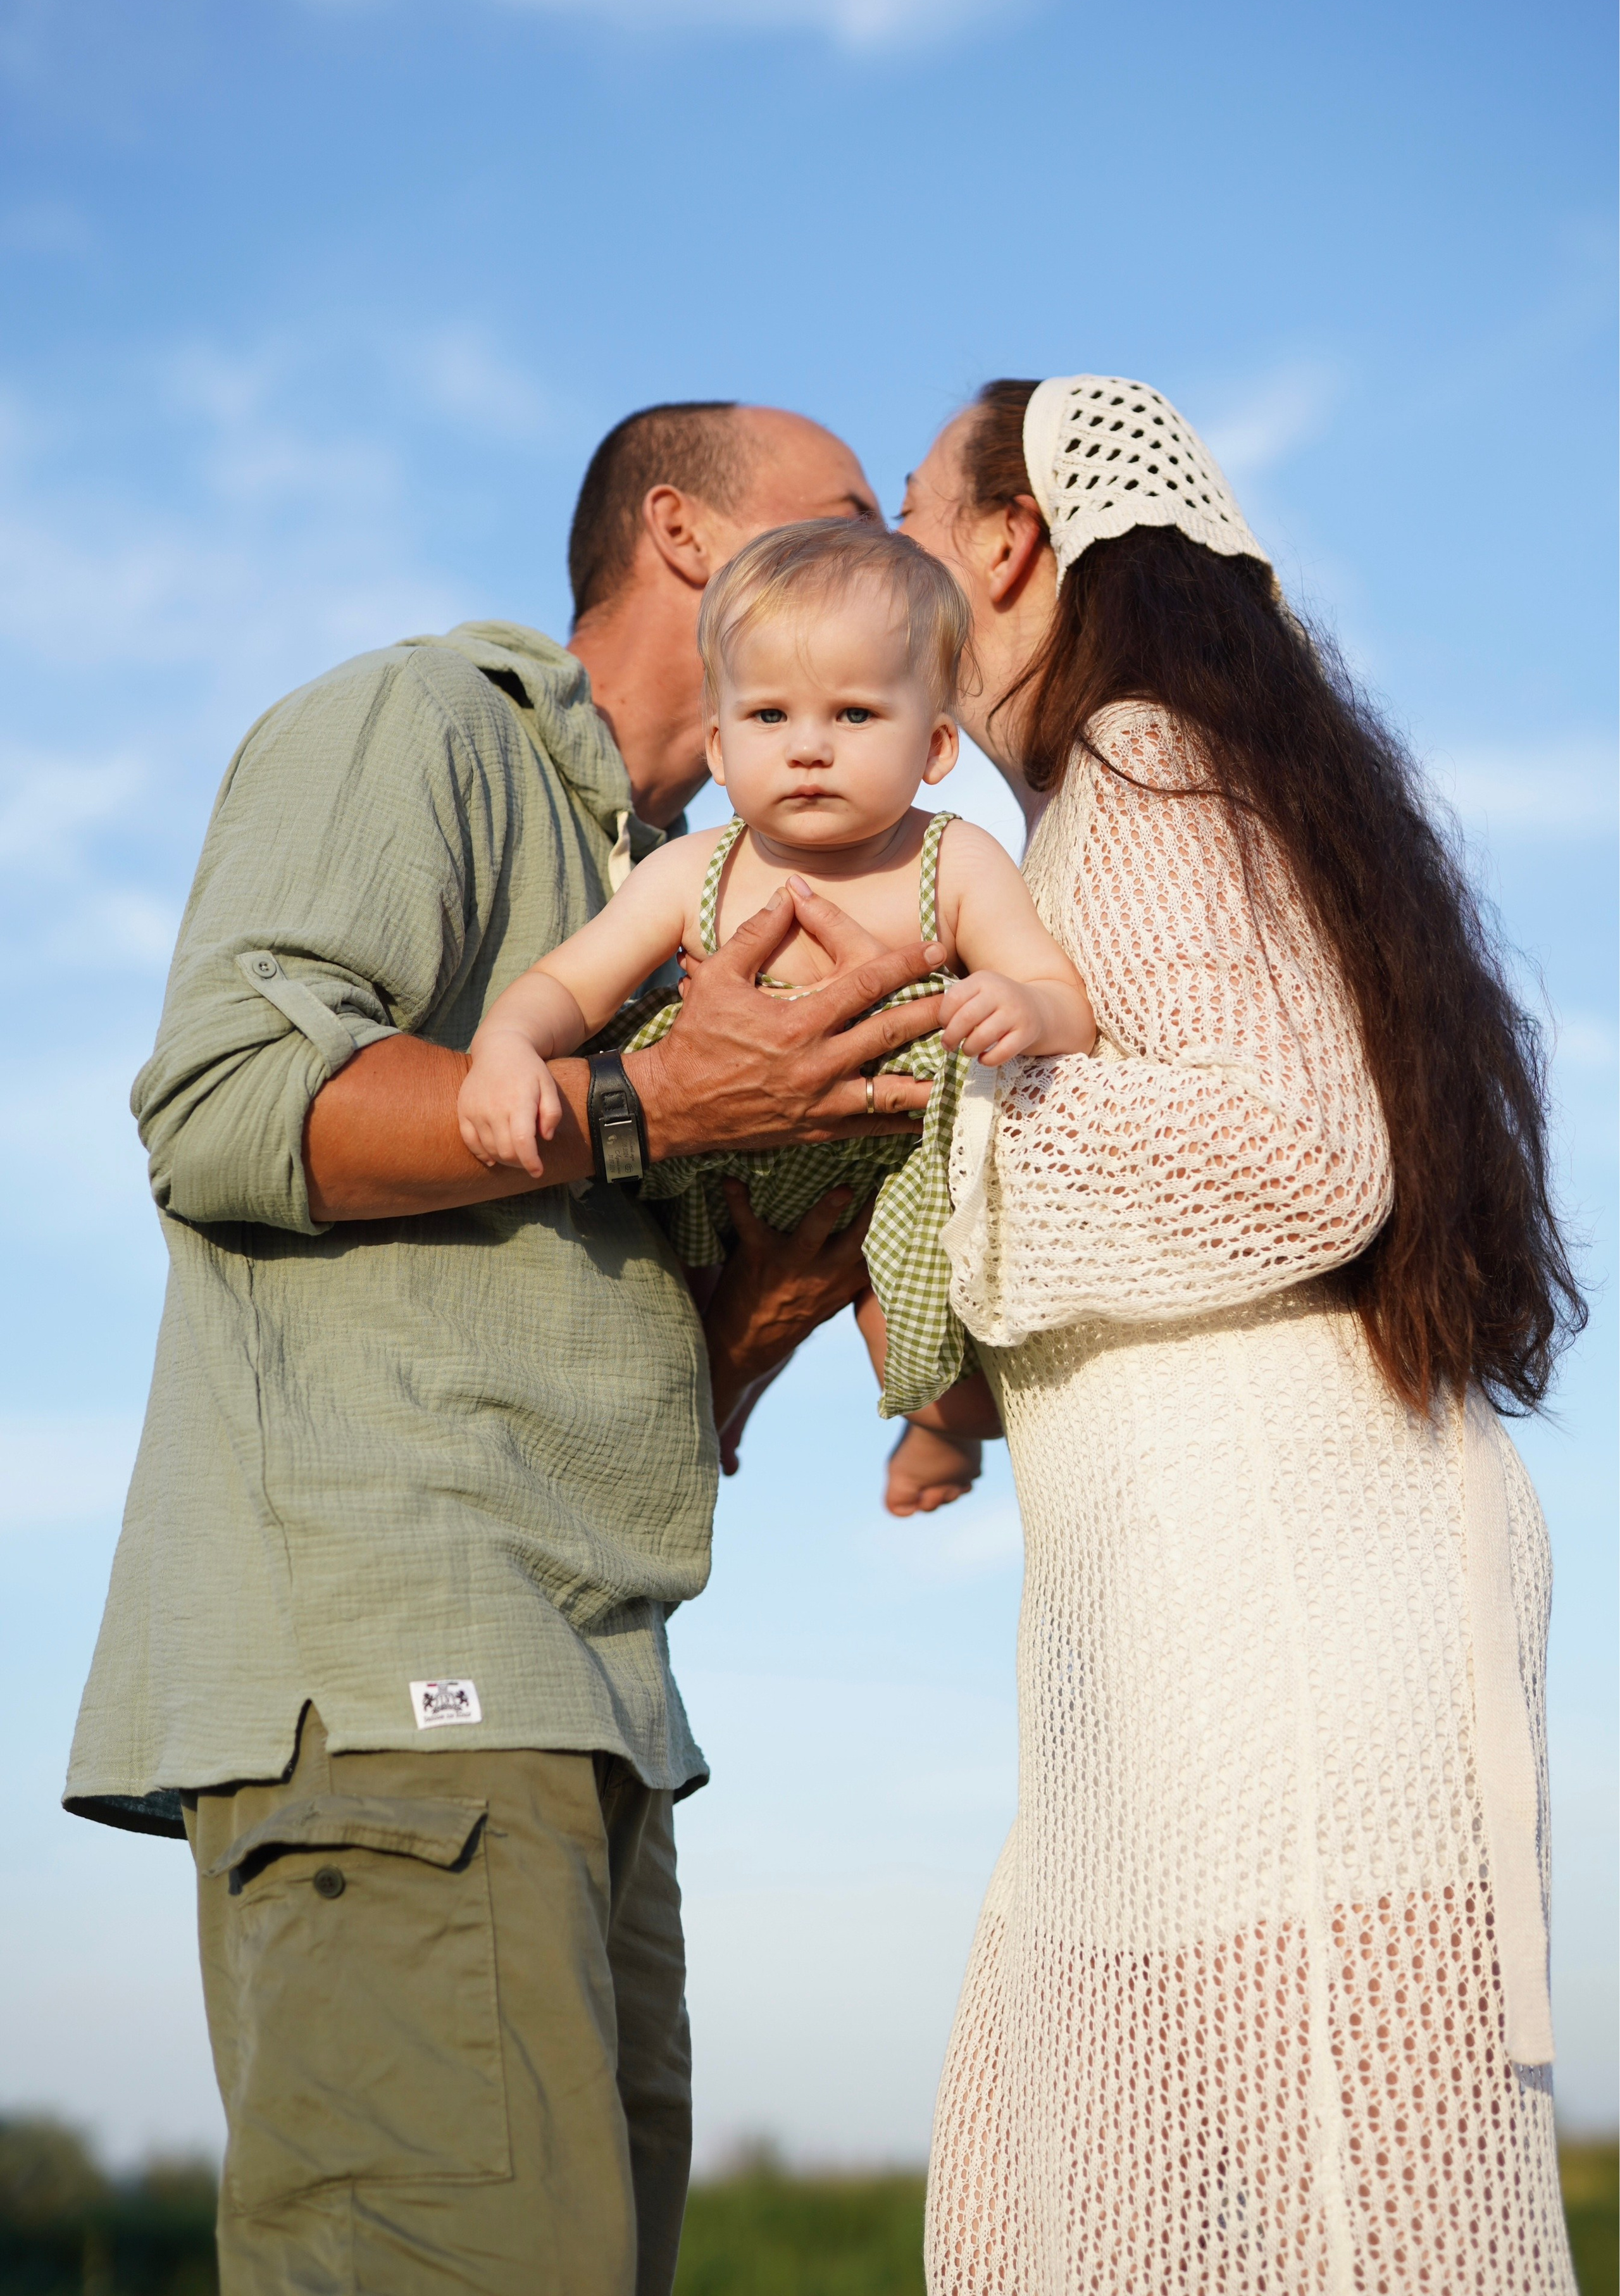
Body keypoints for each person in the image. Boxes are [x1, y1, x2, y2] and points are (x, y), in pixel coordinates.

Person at [63, 401, 948, 2296]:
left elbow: (627, 1350)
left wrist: (790, 1287)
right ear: (689, 540)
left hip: (593, 1708)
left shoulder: (695, 892)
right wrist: (648, 1107)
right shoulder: (426, 723)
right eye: (858, 518)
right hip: (403, 1683)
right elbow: (226, 1106)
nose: (908, 568)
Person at [896, 376, 1586, 2293]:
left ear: (1013, 542)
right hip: (1226, 1645)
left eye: (909, 511)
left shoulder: (1138, 765)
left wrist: (932, 1128)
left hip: (1292, 1668)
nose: (882, 564)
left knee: (1344, 2226)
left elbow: (1297, 1163)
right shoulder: (1148, 786)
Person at [456, 518, 1093, 1418]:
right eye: (769, 716)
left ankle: (940, 1432)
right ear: (720, 746)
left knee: (936, 1374)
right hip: (709, 1170)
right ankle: (718, 1416)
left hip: (891, 1172)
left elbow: (1066, 1003)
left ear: (936, 748)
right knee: (663, 1320)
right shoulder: (689, 871)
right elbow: (569, 985)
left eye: (856, 714)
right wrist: (508, 1049)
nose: (809, 747)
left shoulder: (954, 862)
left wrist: (1020, 1004)